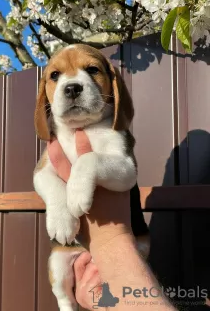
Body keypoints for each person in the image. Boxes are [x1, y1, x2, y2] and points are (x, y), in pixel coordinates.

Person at [48, 130, 176, 311]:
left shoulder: (113, 136)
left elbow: (127, 172)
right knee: (59, 269)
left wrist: (110, 240)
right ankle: (65, 303)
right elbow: (43, 175)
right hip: (81, 250)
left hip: (126, 241)